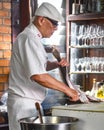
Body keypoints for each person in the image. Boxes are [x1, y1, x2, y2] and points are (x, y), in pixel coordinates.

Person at [7, 2, 79, 130]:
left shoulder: (34, 38)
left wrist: (55, 64)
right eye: (55, 24)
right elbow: (38, 76)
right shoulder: (29, 38)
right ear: (41, 20)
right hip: (24, 104)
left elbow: (36, 67)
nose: (56, 28)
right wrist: (68, 90)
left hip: (30, 103)